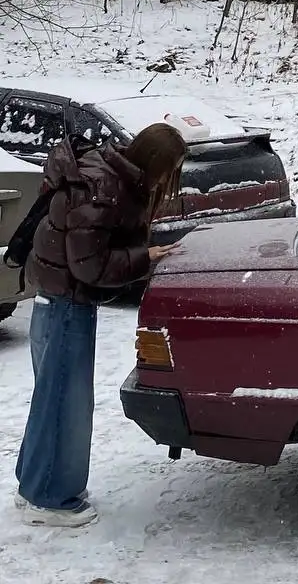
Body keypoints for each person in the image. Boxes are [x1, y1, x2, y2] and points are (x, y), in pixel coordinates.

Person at [13, 122, 187, 528]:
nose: (169, 181)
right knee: (65, 402)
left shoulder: (107, 172)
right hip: (66, 303)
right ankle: (49, 499)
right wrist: (145, 257)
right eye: (171, 170)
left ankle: (35, 485)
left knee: (52, 398)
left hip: (55, 297)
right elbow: (89, 265)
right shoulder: (105, 187)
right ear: (157, 163)